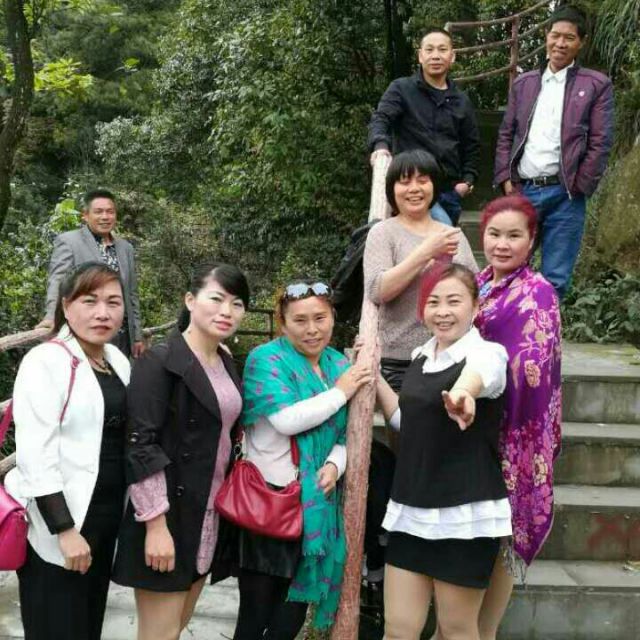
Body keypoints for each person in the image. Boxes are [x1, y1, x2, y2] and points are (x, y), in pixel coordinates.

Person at [111, 263, 249, 640]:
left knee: (175, 628)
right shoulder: (159, 361)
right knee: (159, 634)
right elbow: (140, 444)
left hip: (208, 512)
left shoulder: (225, 361)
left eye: (237, 304)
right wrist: (155, 525)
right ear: (190, 300)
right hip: (167, 514)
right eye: (216, 299)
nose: (227, 311)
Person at [376, 262, 510, 640]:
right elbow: (408, 421)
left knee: (456, 630)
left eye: (454, 301)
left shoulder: (488, 354)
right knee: (398, 629)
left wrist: (464, 395)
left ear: (475, 307)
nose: (442, 311)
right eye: (433, 302)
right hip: (411, 507)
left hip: (464, 512)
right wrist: (374, 376)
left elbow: (476, 378)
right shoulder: (421, 355)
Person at [232, 281, 373, 639]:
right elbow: (287, 420)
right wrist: (342, 391)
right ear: (282, 323)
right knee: (255, 616)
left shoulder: (337, 364)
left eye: (320, 318)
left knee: (290, 619)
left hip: (314, 509)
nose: (312, 329)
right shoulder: (266, 360)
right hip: (270, 502)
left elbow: (347, 433)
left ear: (332, 317)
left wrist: (335, 465)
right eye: (300, 320)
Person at [5, 262, 131, 640]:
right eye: (90, 301)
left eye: (113, 302)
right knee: (56, 623)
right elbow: (35, 454)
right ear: (66, 305)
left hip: (106, 517)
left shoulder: (117, 360)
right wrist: (64, 529)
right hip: (61, 521)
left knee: (88, 622)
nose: (102, 313)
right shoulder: (46, 361)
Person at [473, 195, 562, 640]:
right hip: (471, 424)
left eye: (513, 235)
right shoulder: (477, 283)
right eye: (494, 234)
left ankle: (485, 630)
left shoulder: (538, 293)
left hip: (516, 430)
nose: (502, 244)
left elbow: (534, 366)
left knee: (504, 532)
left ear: (531, 240)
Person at [494, 5, 614, 299]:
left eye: (569, 38)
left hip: (565, 196)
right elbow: (507, 133)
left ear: (581, 42)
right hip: (523, 191)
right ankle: (508, 328)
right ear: (546, 35)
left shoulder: (596, 85)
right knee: (509, 270)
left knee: (555, 279)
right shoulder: (524, 83)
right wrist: (506, 179)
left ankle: (543, 330)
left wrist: (580, 185)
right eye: (555, 35)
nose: (560, 43)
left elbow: (600, 141)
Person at [364, 149, 477, 394]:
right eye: (405, 182)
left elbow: (475, 290)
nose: (414, 189)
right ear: (392, 189)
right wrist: (426, 251)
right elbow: (377, 290)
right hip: (399, 359)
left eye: (423, 180)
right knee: (402, 419)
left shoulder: (453, 236)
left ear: (434, 186)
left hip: (452, 354)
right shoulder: (382, 233)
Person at [368, 28, 480, 226]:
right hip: (413, 187)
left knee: (443, 240)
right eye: (429, 50)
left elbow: (471, 145)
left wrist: (467, 181)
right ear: (420, 56)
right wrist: (380, 146)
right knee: (443, 235)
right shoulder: (401, 89)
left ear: (452, 56)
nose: (435, 55)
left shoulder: (461, 101)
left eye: (442, 49)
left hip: (450, 193)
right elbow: (381, 119)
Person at [36, 188, 145, 357]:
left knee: (120, 373)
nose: (105, 217)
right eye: (98, 212)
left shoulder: (126, 248)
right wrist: (51, 317)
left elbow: (131, 294)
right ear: (85, 215)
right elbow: (57, 282)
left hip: (121, 335)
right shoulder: (69, 242)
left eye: (110, 212)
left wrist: (137, 335)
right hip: (86, 332)